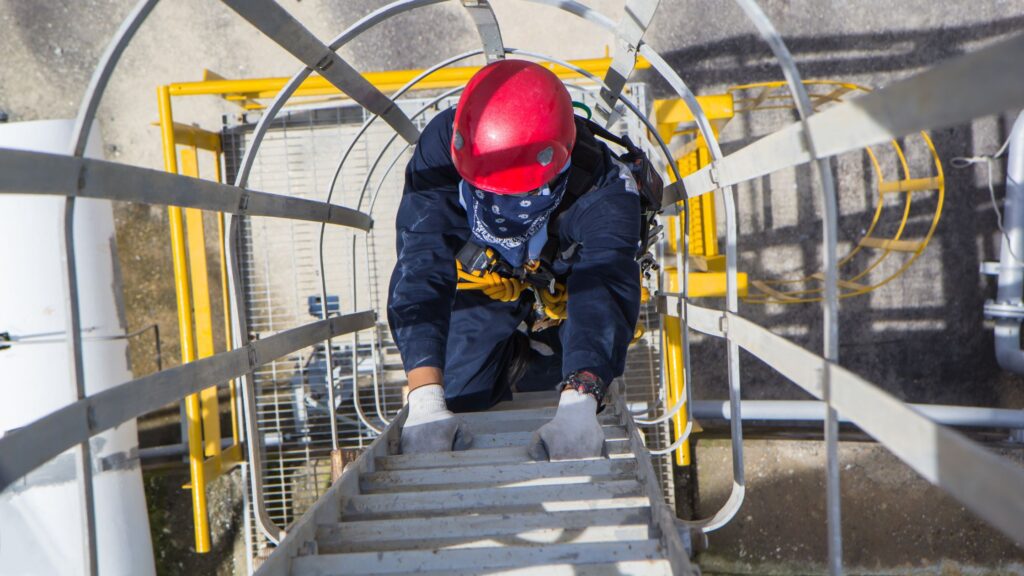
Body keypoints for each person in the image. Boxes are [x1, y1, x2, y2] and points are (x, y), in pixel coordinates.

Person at [387, 59, 641, 460]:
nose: (501, 203)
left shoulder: (605, 193)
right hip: (487, 272)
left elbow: (604, 287)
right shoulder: (444, 145)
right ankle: (518, 356)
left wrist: (580, 403)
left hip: (565, 283)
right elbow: (421, 257)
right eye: (486, 190)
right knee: (458, 391)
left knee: (585, 352)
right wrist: (425, 399)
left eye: (516, 195)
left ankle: (550, 349)